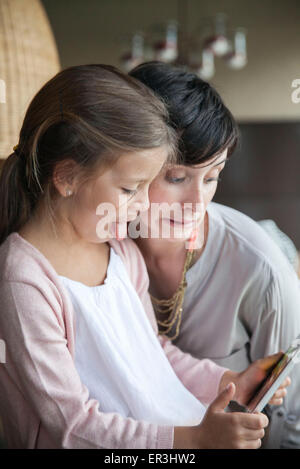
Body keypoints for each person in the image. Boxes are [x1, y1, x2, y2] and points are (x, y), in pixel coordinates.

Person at [0, 64, 287, 450]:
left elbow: (156, 353)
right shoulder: (25, 280)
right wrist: (194, 441)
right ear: (67, 177)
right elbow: (69, 428)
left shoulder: (118, 251)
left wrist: (227, 381)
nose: (141, 206)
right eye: (131, 189)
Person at [129, 61, 300, 449]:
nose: (196, 203)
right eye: (177, 178)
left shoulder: (262, 271)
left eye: (212, 177)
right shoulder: (103, 249)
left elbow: (290, 422)